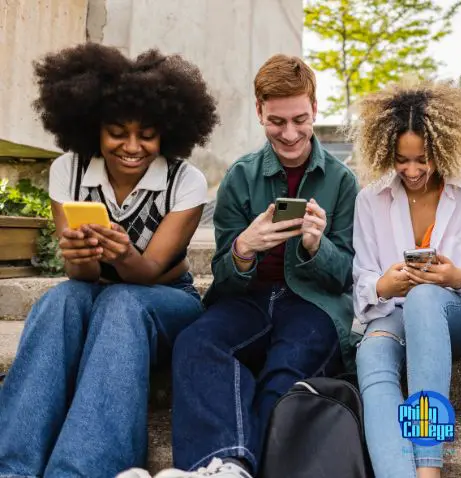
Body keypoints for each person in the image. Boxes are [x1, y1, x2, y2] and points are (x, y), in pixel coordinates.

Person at [120, 54, 359, 478]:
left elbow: (344, 277)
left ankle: (234, 464)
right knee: (195, 343)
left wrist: (314, 246)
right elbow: (225, 278)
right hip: (248, 301)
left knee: (284, 371)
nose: (290, 134)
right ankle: (224, 466)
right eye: (276, 121)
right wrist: (244, 249)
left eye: (300, 120)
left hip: (314, 306)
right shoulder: (240, 176)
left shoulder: (342, 181)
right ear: (259, 112)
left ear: (315, 109)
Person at [0, 43, 217, 478]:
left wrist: (124, 253)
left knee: (123, 301)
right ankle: (12, 466)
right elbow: (80, 275)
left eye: (147, 134)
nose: (132, 146)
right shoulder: (70, 169)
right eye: (117, 132)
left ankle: (84, 469)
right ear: (93, 129)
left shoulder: (185, 181)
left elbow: (149, 271)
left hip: (165, 299)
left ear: (167, 133)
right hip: (93, 291)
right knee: (61, 299)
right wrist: (80, 257)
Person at [349, 79, 461, 478]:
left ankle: (428, 466)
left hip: (455, 317)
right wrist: (384, 285)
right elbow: (363, 279)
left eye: (423, 159)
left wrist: (455, 276)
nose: (413, 170)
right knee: (371, 353)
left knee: (423, 299)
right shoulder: (370, 199)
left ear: (442, 149)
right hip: (393, 314)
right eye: (402, 160)